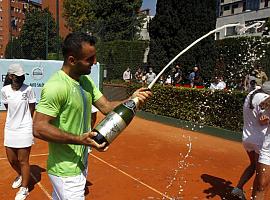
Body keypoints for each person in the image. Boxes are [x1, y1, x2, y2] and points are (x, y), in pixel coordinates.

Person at [32, 32, 152, 200]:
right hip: (65, 170)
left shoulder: (85, 81)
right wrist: (80, 139)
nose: (94, 62)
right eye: (89, 59)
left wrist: (132, 99)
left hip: (79, 163)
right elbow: (38, 127)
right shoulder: (56, 86)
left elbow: (106, 107)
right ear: (72, 60)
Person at [1, 63, 36, 200]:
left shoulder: (29, 89)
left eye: (22, 76)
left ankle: (24, 188)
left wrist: (26, 122)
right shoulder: (5, 90)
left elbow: (32, 107)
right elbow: (8, 107)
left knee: (23, 160)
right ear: (11, 76)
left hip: (24, 128)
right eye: (19, 76)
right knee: (11, 159)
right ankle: (21, 175)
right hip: (10, 129)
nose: (22, 78)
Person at [231, 82, 270, 200]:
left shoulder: (251, 94)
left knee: (254, 166)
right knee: (260, 178)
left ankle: (238, 188)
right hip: (260, 140)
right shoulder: (264, 99)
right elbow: (262, 120)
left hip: (247, 138)